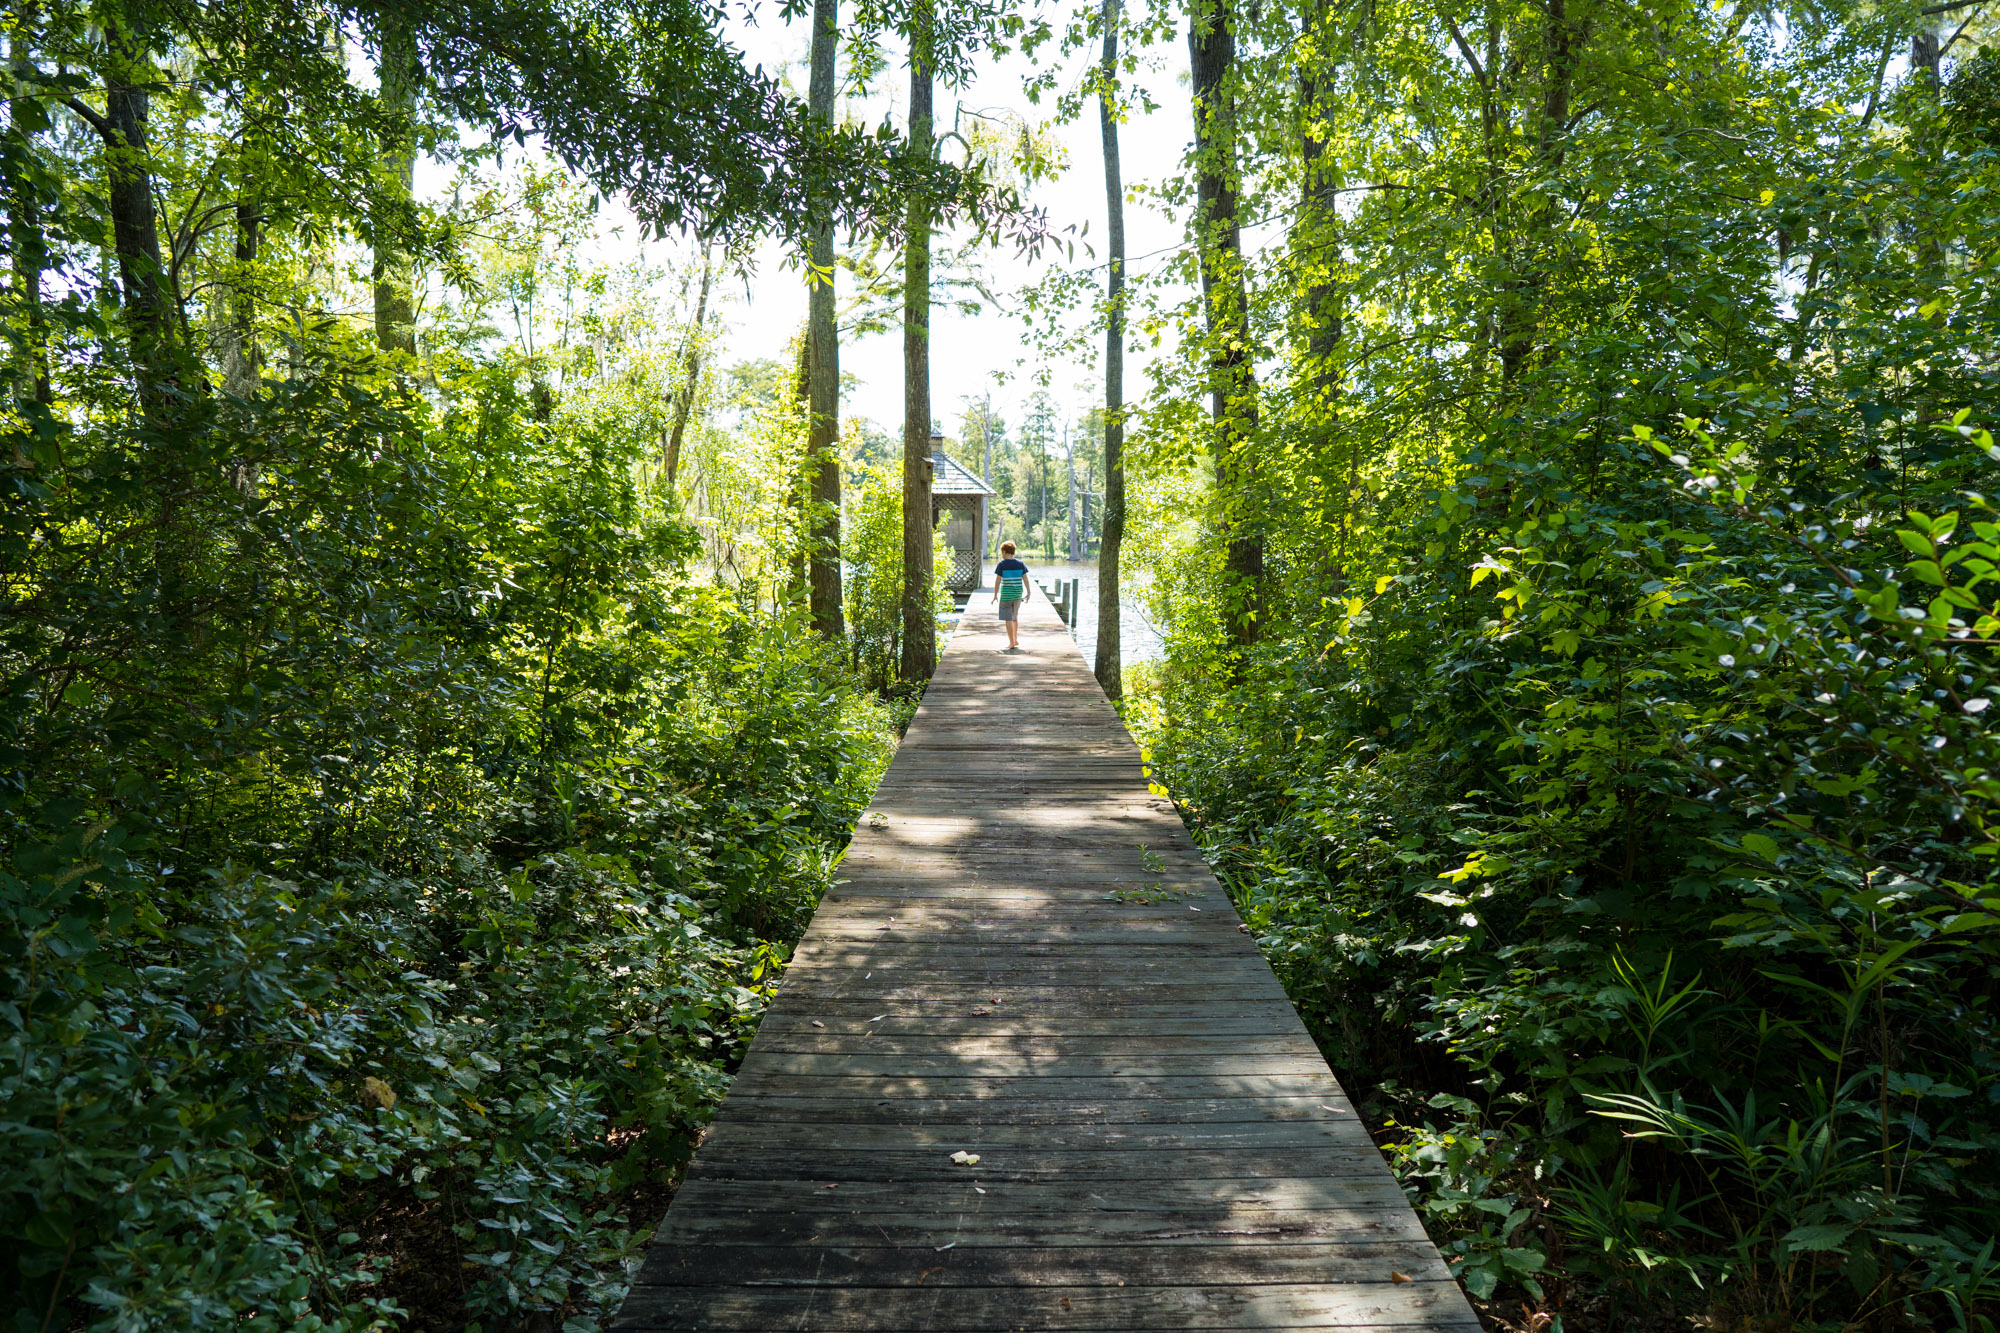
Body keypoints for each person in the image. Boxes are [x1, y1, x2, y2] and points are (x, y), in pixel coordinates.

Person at [990, 541, 1030, 652]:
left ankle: (1011, 642)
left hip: (1006, 595)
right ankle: (1015, 639)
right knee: (1014, 617)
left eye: (1001, 552)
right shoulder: (1020, 564)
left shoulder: (1002, 565)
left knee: (1008, 618)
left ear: (1004, 551)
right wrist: (1029, 592)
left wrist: (995, 595)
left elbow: (998, 581)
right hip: (1017, 595)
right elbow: (1025, 579)